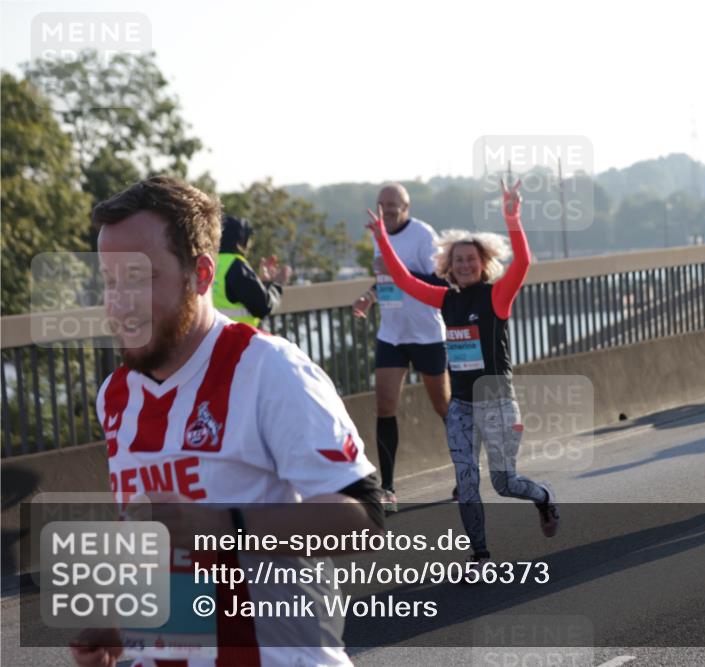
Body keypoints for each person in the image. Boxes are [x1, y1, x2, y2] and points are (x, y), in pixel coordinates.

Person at [72, 175, 383, 667]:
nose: (118, 302)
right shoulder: (115, 395)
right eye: (109, 282)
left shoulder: (269, 370)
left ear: (200, 274)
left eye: (138, 278)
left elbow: (364, 517)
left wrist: (227, 525)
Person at [366, 179, 559, 575]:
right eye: (458, 261)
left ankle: (542, 498)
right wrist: (382, 238)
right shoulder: (445, 299)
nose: (465, 265)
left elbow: (522, 263)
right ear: (448, 267)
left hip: (498, 401)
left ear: (483, 263)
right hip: (462, 407)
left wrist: (512, 217)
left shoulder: (497, 296)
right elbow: (403, 280)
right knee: (467, 483)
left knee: (505, 482)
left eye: (472, 259)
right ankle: (480, 556)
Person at [352, 184, 451, 512]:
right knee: (384, 406)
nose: (387, 210)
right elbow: (385, 279)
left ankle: (465, 472)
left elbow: (442, 283)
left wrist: (401, 272)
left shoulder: (423, 235)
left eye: (393, 205)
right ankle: (389, 488)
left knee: (444, 406)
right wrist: (370, 295)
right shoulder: (376, 234)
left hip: (425, 333)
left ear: (407, 207)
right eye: (382, 204)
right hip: (392, 333)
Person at [212, 213, 291, 326]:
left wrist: (263, 283)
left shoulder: (208, 264)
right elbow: (263, 307)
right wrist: (277, 283)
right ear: (241, 241)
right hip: (239, 339)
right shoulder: (235, 266)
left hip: (215, 339)